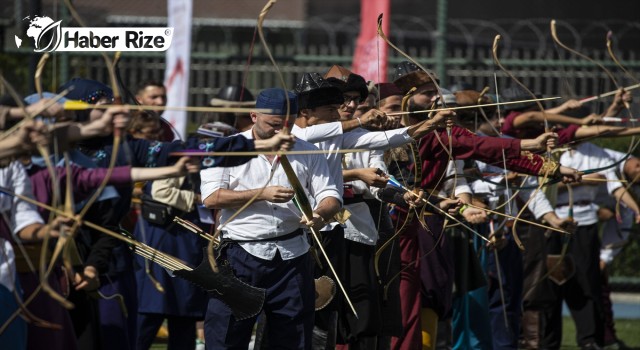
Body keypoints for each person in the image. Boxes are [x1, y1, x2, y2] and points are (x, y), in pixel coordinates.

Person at [200, 88, 342, 349]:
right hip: (240, 254)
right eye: (273, 125)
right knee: (226, 335)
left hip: (293, 256)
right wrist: (261, 193)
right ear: (253, 116)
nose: (280, 132)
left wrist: (321, 214)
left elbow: (330, 194)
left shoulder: (307, 150)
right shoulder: (226, 149)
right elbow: (211, 197)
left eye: (286, 125)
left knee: (294, 335)